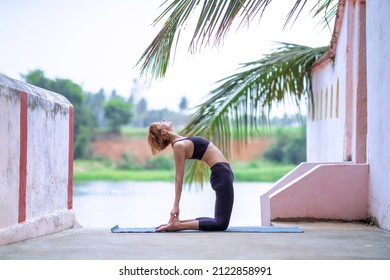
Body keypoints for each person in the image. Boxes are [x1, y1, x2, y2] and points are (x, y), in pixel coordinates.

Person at [147, 119, 234, 232]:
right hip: (222, 175)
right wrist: (176, 206)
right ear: (163, 132)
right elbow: (178, 178)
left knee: (218, 220)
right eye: (159, 123)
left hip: (222, 174)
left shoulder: (180, 141)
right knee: (221, 223)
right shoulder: (178, 146)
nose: (162, 120)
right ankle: (178, 226)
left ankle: (176, 223)